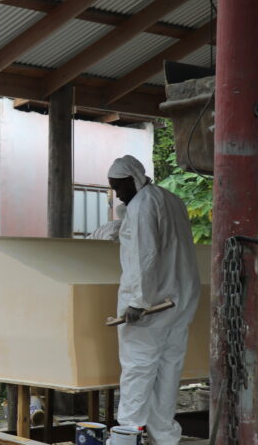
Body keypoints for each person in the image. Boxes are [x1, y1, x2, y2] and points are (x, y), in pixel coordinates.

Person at [108, 155, 200, 445]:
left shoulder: (140, 206)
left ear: (134, 179)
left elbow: (143, 256)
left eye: (120, 187)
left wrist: (138, 301)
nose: (118, 195)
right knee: (168, 369)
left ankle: (129, 435)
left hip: (151, 306)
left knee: (138, 368)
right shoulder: (171, 199)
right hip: (179, 300)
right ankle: (165, 436)